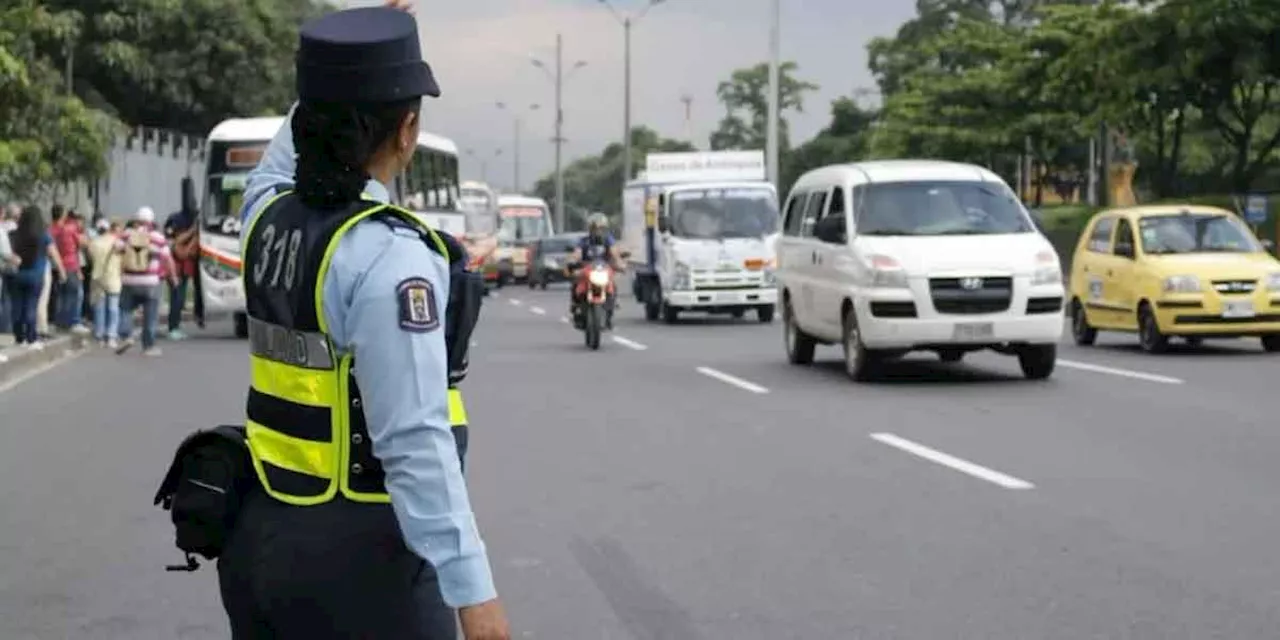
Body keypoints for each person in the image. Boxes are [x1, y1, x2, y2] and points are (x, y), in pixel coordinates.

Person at [219, 4, 508, 639]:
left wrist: (334, 72)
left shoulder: (267, 214)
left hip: (259, 536)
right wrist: (474, 594)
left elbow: (279, 159)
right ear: (407, 131)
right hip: (363, 561)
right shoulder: (388, 255)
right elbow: (413, 441)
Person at [115, 206, 176, 356]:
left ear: (136, 220)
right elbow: (167, 259)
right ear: (151, 221)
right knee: (150, 314)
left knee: (125, 309)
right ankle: (148, 347)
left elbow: (116, 248)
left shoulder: (127, 235)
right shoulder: (158, 237)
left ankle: (126, 336)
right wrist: (173, 276)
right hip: (151, 282)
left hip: (129, 280)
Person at [4, 205, 66, 349]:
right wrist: (62, 271)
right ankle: (31, 337)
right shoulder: (43, 235)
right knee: (31, 306)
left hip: (18, 274)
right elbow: (53, 253)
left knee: (17, 307)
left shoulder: (15, 233)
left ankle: (19, 337)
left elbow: (9, 253)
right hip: (35, 275)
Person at [567, 212, 625, 326]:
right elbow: (577, 253)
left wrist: (620, 264)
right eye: (595, 228)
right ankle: (576, 305)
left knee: (613, 283)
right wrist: (572, 261)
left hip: (604, 268)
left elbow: (614, 253)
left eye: (601, 228)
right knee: (576, 282)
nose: (598, 231)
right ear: (590, 229)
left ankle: (611, 306)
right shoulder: (584, 241)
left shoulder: (609, 240)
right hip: (587, 268)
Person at [163, 200, 199, 340]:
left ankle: (175, 326)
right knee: (176, 299)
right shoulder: (174, 243)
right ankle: (173, 327)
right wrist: (192, 235)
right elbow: (181, 251)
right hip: (175, 272)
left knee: (180, 299)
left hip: (184, 271)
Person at [50, 205, 88, 333]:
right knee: (74, 294)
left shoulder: (57, 230)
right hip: (71, 265)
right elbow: (82, 244)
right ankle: (73, 321)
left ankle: (60, 321)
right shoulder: (72, 229)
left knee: (61, 295)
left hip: (59, 264)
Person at [88, 218, 124, 348]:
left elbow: (91, 259)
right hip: (113, 277)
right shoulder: (116, 242)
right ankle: (111, 335)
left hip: (98, 277)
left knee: (100, 308)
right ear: (108, 229)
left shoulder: (93, 243)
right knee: (113, 308)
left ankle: (100, 335)